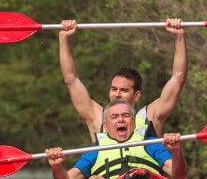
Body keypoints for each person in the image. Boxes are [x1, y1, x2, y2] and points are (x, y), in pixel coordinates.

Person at [59, 17, 188, 141]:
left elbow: (178, 77)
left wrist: (179, 36)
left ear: (136, 95)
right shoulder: (97, 118)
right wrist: (64, 38)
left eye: (124, 90)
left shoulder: (151, 116)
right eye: (114, 89)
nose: (117, 94)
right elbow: (71, 79)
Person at [46, 99, 186, 179]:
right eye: (114, 117)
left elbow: (178, 174)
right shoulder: (97, 149)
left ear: (134, 122)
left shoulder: (149, 142)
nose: (121, 120)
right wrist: (56, 166)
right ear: (106, 126)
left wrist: (176, 152)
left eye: (126, 116)